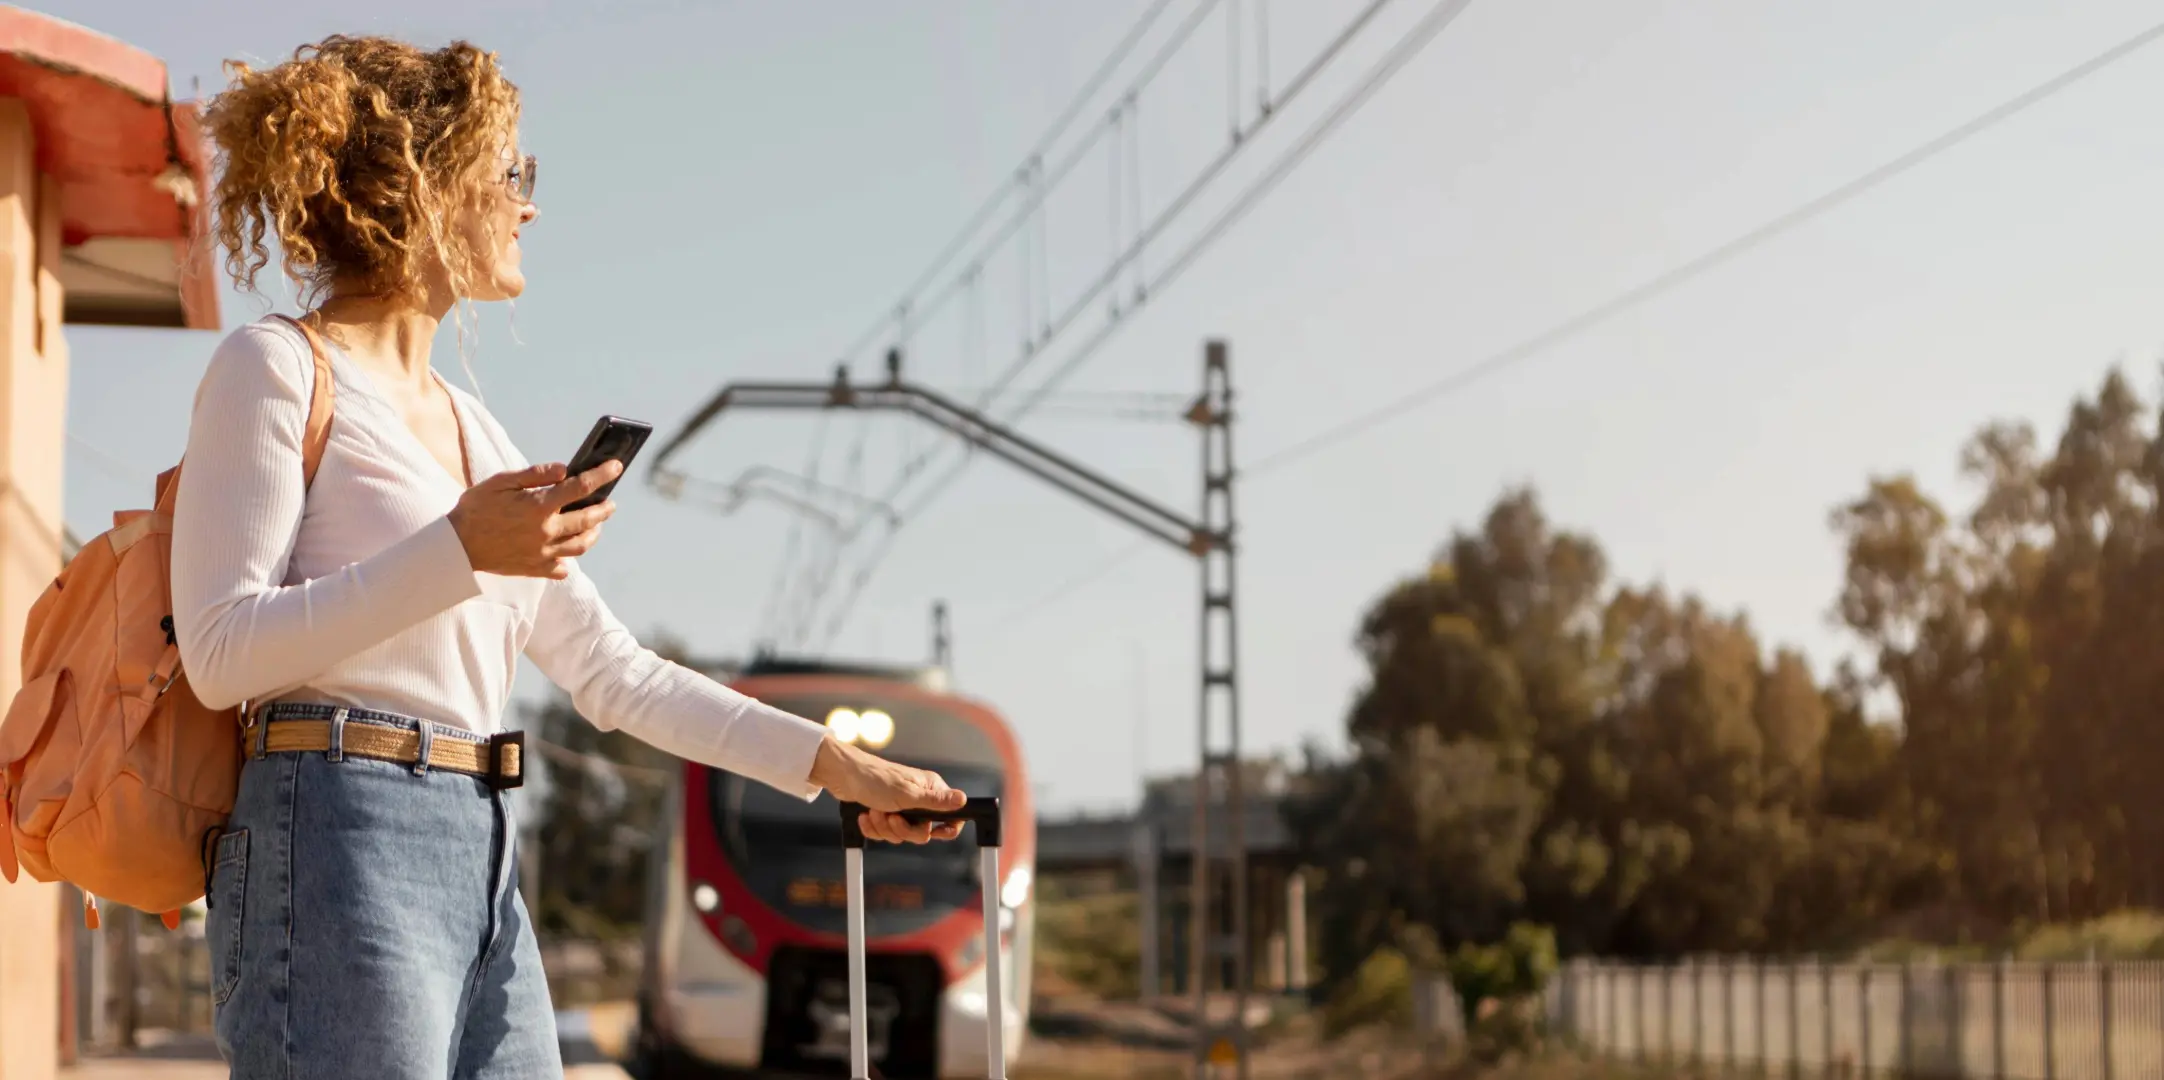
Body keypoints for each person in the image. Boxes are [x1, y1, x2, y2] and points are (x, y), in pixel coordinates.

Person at [174, 34, 965, 1079]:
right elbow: (221, 652)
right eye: (511, 175)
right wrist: (460, 547)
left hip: (481, 839)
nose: (529, 205)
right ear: (423, 178)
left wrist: (835, 766)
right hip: (333, 832)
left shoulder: (474, 432)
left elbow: (615, 675)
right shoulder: (273, 368)